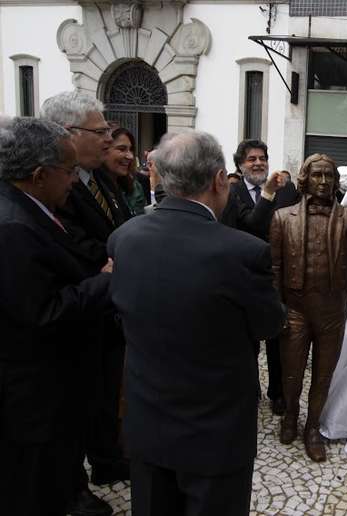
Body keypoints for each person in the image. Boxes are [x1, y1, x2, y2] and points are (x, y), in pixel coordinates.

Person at [108, 130, 285, 516]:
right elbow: (270, 324)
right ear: (220, 180)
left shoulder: (124, 238)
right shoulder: (244, 253)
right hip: (215, 434)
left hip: (148, 425)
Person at [0, 117, 112, 516]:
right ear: (38, 174)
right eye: (68, 172)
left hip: (51, 389)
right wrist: (105, 282)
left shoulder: (29, 206)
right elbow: (41, 313)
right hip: (32, 394)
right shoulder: (13, 226)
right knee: (31, 489)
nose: (72, 181)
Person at [42, 91, 127, 515]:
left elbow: (119, 226)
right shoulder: (54, 187)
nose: (108, 139)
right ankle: (74, 487)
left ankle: (108, 460)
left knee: (105, 389)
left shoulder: (101, 176)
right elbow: (77, 245)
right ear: (69, 135)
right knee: (76, 404)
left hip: (106, 310)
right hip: (79, 309)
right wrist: (113, 261)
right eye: (101, 131)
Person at [270, 153, 347, 462]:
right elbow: (275, 269)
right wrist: (276, 309)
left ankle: (312, 428)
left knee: (323, 375)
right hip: (295, 308)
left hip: (332, 309)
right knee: (291, 374)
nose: (323, 181)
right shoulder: (282, 217)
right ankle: (290, 415)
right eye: (317, 175)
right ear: (304, 179)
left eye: (329, 176)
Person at [220, 139, 298, 416]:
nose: (258, 163)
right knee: (247, 341)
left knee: (277, 337)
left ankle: (277, 393)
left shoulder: (287, 190)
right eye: (251, 159)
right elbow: (252, 223)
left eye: (262, 158)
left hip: (279, 277)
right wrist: (267, 193)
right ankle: (249, 388)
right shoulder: (232, 192)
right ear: (240, 166)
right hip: (245, 277)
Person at [102, 127, 144, 217]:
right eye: (121, 149)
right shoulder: (95, 188)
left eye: (131, 149)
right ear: (104, 150)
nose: (130, 156)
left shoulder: (135, 186)